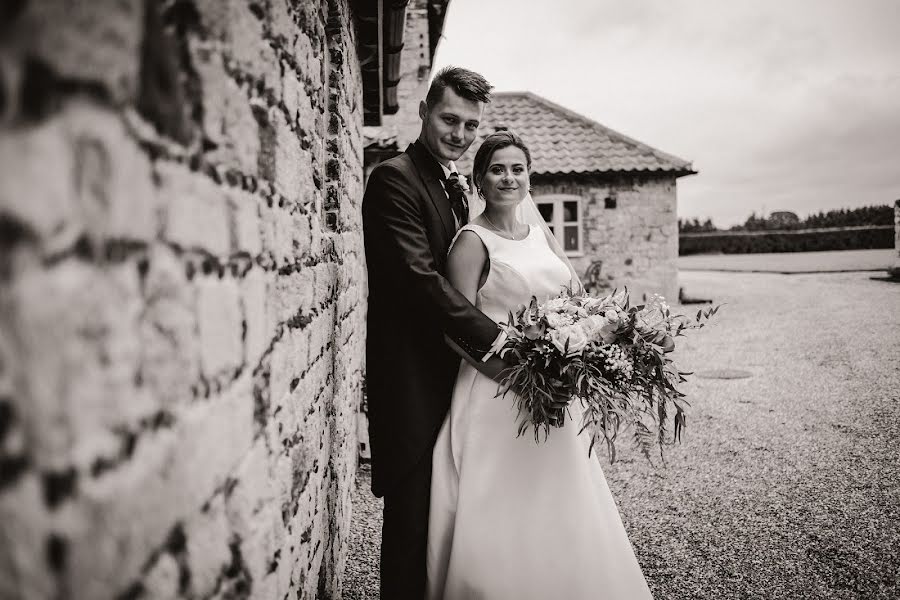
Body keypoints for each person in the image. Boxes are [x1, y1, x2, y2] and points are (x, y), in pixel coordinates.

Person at [426, 131, 654, 599]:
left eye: (517, 169)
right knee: (504, 500)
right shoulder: (471, 242)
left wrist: (595, 342)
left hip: (555, 381)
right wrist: (519, 377)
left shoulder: (540, 233)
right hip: (497, 389)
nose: (508, 178)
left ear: (529, 176)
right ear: (479, 180)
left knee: (560, 494)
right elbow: (455, 329)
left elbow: (577, 302)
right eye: (497, 169)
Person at [361, 67, 503, 600]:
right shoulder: (395, 178)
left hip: (460, 379)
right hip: (414, 383)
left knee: (452, 519)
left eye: (471, 125)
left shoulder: (457, 184)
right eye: (450, 119)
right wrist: (501, 342)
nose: (461, 135)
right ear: (423, 111)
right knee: (412, 524)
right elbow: (421, 282)